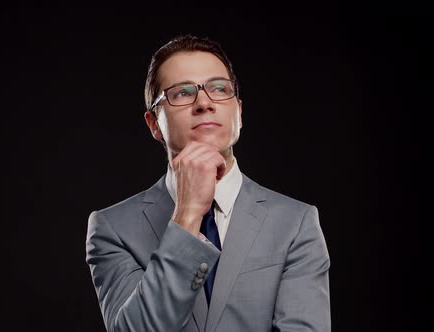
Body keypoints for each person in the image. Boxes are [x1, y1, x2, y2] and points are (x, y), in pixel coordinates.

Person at [85, 34, 331, 332]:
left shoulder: (295, 222)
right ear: (154, 124)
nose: (204, 102)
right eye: (182, 93)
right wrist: (187, 216)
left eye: (219, 88)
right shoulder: (112, 228)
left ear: (238, 111)